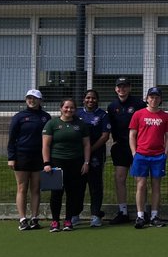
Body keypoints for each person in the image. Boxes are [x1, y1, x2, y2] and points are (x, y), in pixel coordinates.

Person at [40, 97, 90, 232]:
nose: (69, 110)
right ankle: (55, 221)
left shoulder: (80, 124)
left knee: (72, 193)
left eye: (72, 107)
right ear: (61, 108)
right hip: (57, 162)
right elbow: (45, 145)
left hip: (76, 162)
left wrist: (86, 162)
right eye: (66, 107)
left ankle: (68, 221)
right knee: (56, 193)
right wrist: (46, 163)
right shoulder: (52, 124)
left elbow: (86, 145)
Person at [128, 86, 168, 228]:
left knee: (156, 186)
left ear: (160, 99)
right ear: (147, 99)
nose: (154, 99)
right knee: (141, 185)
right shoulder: (138, 114)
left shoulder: (165, 116)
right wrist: (134, 153)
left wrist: (165, 153)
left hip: (158, 156)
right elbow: (132, 135)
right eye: (151, 97)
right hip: (141, 155)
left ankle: (154, 216)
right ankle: (140, 216)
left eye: (157, 97)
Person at [8, 88, 51, 231]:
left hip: (39, 157)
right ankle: (22, 219)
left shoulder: (46, 117)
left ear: (40, 100)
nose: (31, 101)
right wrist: (11, 157)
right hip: (22, 156)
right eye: (29, 98)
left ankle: (34, 218)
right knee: (22, 187)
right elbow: (12, 139)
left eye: (34, 98)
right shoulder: (19, 117)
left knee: (35, 189)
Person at [106, 78, 146, 224]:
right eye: (119, 87)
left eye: (124, 86)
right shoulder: (112, 106)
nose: (121, 89)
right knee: (120, 178)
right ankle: (122, 212)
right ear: (115, 89)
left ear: (129, 88)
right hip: (121, 147)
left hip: (138, 147)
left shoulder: (139, 104)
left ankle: (142, 213)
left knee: (139, 180)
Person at [78, 89, 111, 227]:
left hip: (96, 154)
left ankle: (95, 215)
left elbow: (105, 136)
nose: (90, 100)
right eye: (88, 98)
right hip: (77, 155)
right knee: (78, 185)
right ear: (84, 99)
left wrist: (89, 150)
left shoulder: (103, 115)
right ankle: (75, 214)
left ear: (97, 100)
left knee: (95, 185)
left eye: (93, 98)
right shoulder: (77, 113)